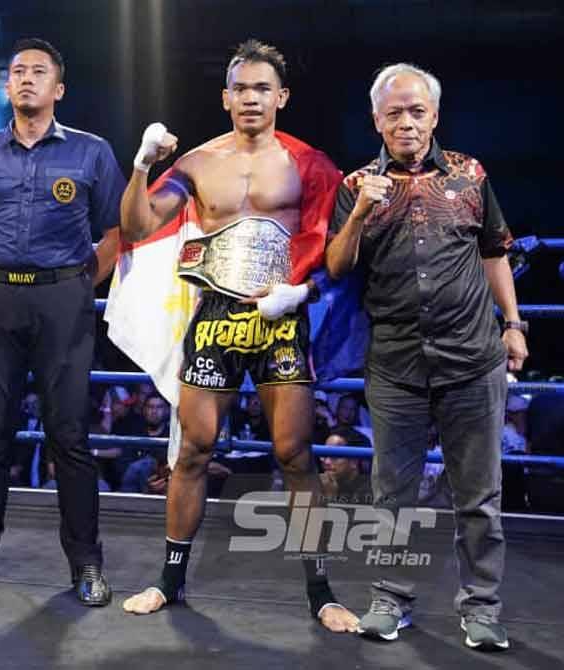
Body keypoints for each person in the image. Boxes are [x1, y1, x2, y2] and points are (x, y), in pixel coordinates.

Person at [117, 39, 358, 632]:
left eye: (262, 88)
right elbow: (138, 224)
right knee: (194, 450)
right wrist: (143, 164)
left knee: (295, 454)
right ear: (225, 98)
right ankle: (169, 581)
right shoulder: (198, 163)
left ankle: (321, 593)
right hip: (216, 315)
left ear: (282, 96)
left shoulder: (311, 164)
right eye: (241, 88)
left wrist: (301, 293)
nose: (251, 98)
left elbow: (336, 258)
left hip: (281, 317)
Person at [325, 63, 526, 650]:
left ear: (434, 116)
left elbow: (495, 252)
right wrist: (362, 209)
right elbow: (338, 265)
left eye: (417, 111)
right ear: (376, 120)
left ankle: (482, 607)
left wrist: (512, 324)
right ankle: (390, 599)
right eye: (395, 112)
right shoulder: (354, 184)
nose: (407, 122)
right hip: (395, 362)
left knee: (479, 496)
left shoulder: (469, 175)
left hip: (472, 357)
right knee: (392, 496)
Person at [0, 37, 123, 605]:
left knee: (70, 437)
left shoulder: (92, 153)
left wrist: (72, 286)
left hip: (63, 300)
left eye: (38, 72)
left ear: (58, 89)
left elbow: (116, 234)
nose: (26, 79)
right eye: (17, 71)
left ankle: (87, 564)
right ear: (7, 85)